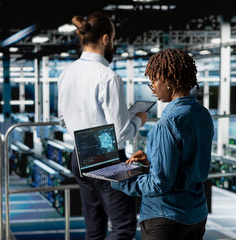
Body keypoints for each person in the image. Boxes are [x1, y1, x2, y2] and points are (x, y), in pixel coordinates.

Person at [57, 12, 147, 240]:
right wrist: (138, 120)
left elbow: (62, 119)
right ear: (106, 39)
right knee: (124, 227)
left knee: (94, 229)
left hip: (79, 155)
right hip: (104, 156)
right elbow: (119, 134)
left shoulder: (66, 74)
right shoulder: (108, 77)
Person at [111, 48, 214, 240]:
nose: (153, 89)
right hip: (196, 214)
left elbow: (159, 185)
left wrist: (120, 180)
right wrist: (152, 162)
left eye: (153, 82)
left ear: (168, 80)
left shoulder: (167, 123)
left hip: (166, 217)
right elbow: (189, 164)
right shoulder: (202, 114)